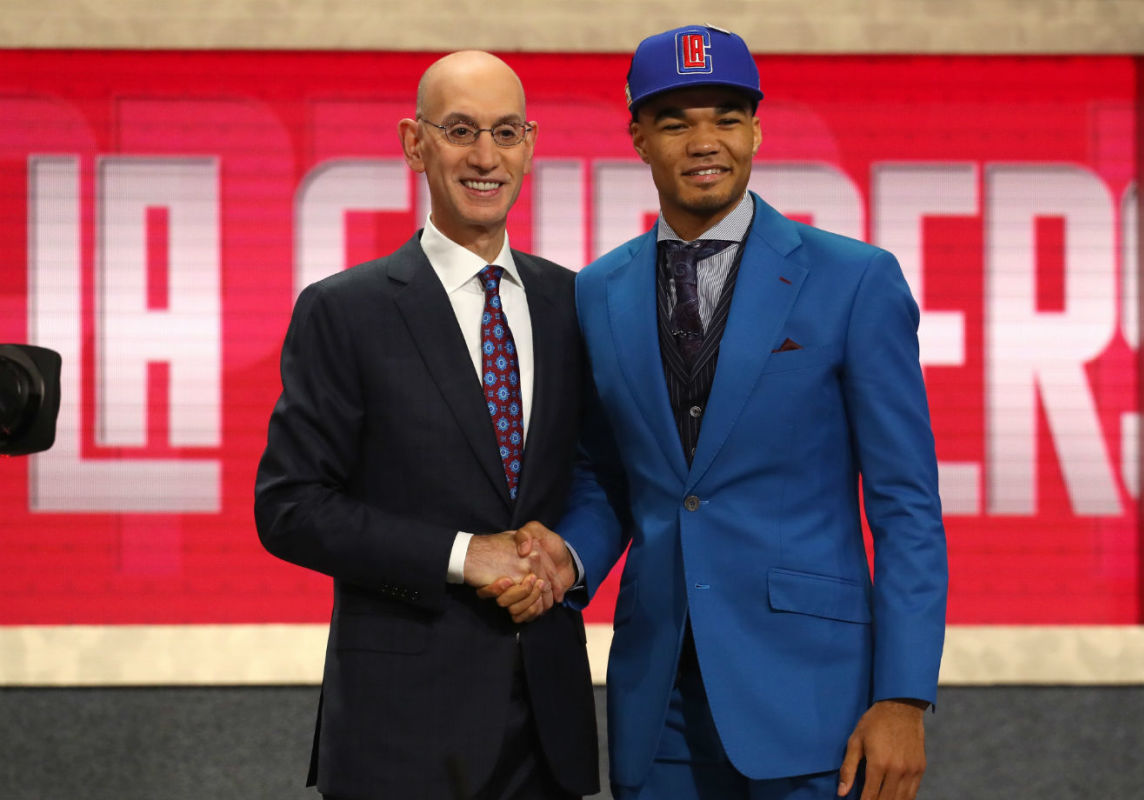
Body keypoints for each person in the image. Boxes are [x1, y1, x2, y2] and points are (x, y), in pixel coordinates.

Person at [496, 24, 948, 800]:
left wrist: (903, 696)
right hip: (657, 694)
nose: (706, 142)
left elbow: (907, 505)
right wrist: (567, 558)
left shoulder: (854, 280)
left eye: (727, 118)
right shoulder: (598, 291)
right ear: (637, 136)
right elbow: (608, 476)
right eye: (676, 122)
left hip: (815, 700)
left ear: (757, 130)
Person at [254, 50, 598, 800]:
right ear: (415, 143)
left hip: (549, 728)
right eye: (460, 130)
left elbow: (603, 473)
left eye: (505, 133)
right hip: (398, 737)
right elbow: (289, 507)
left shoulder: (579, 304)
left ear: (530, 146)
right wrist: (461, 555)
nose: (485, 157)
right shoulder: (346, 311)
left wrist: (566, 556)